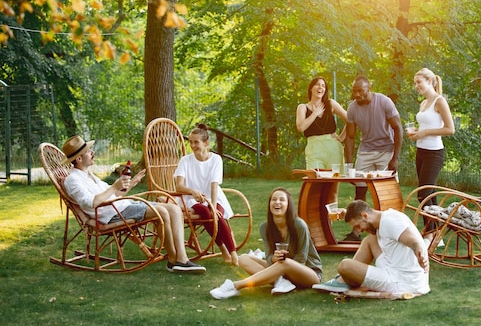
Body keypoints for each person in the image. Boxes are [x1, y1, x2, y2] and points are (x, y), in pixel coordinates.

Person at [61, 135, 205, 274]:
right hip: (113, 214)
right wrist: (114, 186)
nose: (92, 152)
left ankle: (181, 258)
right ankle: (175, 260)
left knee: (174, 209)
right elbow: (92, 202)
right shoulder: (73, 180)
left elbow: (115, 195)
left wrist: (131, 184)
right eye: (87, 151)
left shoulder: (90, 176)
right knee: (162, 212)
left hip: (123, 206)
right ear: (79, 158)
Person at [210, 188, 322, 299]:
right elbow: (269, 258)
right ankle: (281, 282)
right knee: (243, 258)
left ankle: (235, 286)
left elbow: (302, 258)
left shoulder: (299, 225)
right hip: (282, 269)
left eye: (282, 200)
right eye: (274, 199)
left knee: (285, 263)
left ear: (288, 205)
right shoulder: (265, 227)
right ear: (269, 204)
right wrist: (275, 258)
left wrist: (282, 266)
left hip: (309, 273)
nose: (277, 202)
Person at [312, 200, 430, 296]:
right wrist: (345, 211)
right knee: (370, 239)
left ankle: (344, 280)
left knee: (345, 265)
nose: (359, 230)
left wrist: (420, 253)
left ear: (365, 215)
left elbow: (413, 241)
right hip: (394, 267)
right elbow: (359, 212)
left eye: (358, 226)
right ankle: (344, 280)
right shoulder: (384, 218)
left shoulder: (390, 222)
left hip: (402, 282)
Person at [344, 76, 403, 240]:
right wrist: (349, 164)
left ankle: (392, 232)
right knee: (360, 190)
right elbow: (350, 137)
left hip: (386, 151)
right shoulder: (352, 108)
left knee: (387, 193)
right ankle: (355, 232)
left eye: (360, 91)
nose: (357, 94)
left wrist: (395, 158)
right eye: (354, 91)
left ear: (369, 87)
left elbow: (398, 128)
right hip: (366, 151)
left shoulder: (384, 102)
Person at [174, 123, 239, 266]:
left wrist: (214, 205)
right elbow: (179, 186)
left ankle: (233, 252)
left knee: (217, 215)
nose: (192, 145)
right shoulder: (185, 161)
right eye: (190, 142)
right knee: (205, 211)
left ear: (206, 143)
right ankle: (223, 248)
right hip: (191, 199)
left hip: (214, 197)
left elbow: (214, 185)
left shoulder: (216, 159)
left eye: (196, 142)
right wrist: (193, 191)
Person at [408, 68, 455, 243]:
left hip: (434, 154)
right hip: (421, 152)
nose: (416, 86)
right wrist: (416, 133)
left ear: (430, 81)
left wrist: (425, 132)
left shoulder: (439, 101)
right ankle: (436, 235)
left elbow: (450, 129)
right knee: (431, 194)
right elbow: (424, 128)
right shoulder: (423, 104)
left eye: (419, 82)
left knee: (423, 194)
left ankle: (429, 233)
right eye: (415, 83)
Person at [296, 76, 348, 170]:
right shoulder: (302, 107)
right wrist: (315, 113)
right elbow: (301, 127)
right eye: (317, 85)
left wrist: (342, 137)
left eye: (323, 86)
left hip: (333, 148)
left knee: (333, 180)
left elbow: (351, 120)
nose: (320, 87)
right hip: (314, 149)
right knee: (315, 180)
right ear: (311, 88)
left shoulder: (331, 104)